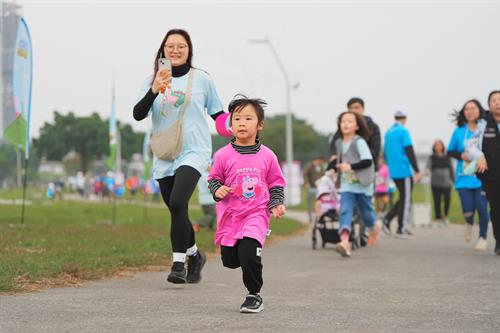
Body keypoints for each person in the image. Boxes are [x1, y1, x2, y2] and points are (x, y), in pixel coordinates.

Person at [133, 29, 225, 284]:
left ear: (189, 50)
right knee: (177, 210)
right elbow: (138, 114)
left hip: (194, 151)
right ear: (162, 50)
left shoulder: (202, 80)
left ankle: (177, 265)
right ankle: (195, 255)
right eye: (170, 46)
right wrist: (154, 89)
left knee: (177, 201)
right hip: (164, 152)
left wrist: (235, 128)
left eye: (181, 46)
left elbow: (218, 114)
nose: (175, 50)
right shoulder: (151, 80)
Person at [208, 95, 286, 313]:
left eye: (248, 118)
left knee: (249, 252)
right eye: (237, 118)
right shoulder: (222, 155)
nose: (242, 123)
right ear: (230, 124)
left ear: (260, 124)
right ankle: (244, 257)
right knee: (231, 261)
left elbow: (276, 184)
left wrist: (276, 204)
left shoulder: (268, 156)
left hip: (256, 213)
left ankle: (254, 294)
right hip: (230, 216)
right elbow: (213, 179)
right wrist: (218, 189)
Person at [331, 111, 381, 257]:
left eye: (350, 121)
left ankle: (374, 227)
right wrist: (334, 169)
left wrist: (350, 166)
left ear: (357, 126)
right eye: (343, 122)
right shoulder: (339, 143)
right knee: (345, 211)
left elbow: (368, 161)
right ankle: (345, 242)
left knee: (366, 215)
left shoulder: (359, 142)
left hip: (363, 185)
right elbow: (340, 161)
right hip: (347, 186)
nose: (345, 124)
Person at [447, 99, 489, 251]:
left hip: (482, 177)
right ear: (463, 113)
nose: (470, 111)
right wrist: (461, 155)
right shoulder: (459, 131)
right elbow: (450, 151)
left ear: (479, 110)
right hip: (464, 176)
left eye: (473, 108)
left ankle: (483, 237)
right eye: (467, 109)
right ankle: (469, 222)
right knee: (468, 210)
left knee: (483, 208)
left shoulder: (485, 129)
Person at [382, 107, 423, 238]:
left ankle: (387, 219)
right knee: (406, 200)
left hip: (393, 170)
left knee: (403, 198)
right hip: (404, 170)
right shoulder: (403, 131)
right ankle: (402, 228)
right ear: (404, 119)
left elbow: (385, 152)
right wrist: (417, 170)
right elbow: (409, 150)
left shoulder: (388, 132)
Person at [475, 90, 500, 255]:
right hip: (492, 176)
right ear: (489, 105)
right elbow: (472, 145)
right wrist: (480, 156)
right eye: (494, 100)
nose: (497, 103)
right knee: (496, 209)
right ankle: (499, 240)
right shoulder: (483, 124)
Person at [330, 97, 381, 169]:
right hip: (345, 171)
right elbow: (334, 147)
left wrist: (354, 162)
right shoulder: (342, 130)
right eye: (351, 108)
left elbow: (374, 151)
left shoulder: (372, 127)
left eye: (357, 107)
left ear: (363, 109)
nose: (354, 110)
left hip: (366, 170)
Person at [426, 140, 454, 226]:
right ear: (434, 147)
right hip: (435, 182)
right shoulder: (431, 157)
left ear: (442, 147)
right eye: (436, 145)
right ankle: (438, 218)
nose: (438, 147)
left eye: (439, 145)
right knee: (436, 200)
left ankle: (445, 216)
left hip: (447, 182)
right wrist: (426, 172)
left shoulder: (447, 157)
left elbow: (451, 169)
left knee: (447, 199)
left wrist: (453, 179)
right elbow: (428, 167)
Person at [194, 160, 216, 231]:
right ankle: (197, 223)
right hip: (208, 199)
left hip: (203, 199)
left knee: (209, 214)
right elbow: (210, 187)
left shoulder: (201, 174)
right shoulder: (207, 175)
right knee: (211, 215)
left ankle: (209, 228)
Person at [303, 156, 326, 222]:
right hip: (311, 188)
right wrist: (306, 182)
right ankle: (310, 216)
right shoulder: (310, 166)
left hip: (320, 188)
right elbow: (305, 175)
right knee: (310, 202)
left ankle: (319, 216)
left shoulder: (321, 167)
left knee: (320, 202)